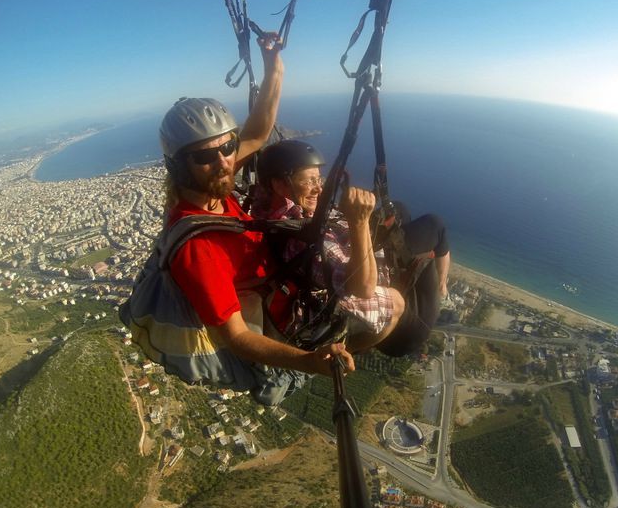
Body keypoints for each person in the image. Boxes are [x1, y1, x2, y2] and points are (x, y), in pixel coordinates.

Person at [158, 34, 353, 405]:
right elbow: (236, 336)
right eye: (204, 156)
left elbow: (259, 130)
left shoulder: (214, 186)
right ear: (178, 166)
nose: (224, 162)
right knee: (391, 316)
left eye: (228, 147)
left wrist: (272, 63)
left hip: (280, 291)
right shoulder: (197, 246)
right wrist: (309, 362)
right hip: (277, 326)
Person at [253, 139, 451, 357]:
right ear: (280, 185)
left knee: (399, 211)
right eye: (310, 181)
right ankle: (442, 287)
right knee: (436, 226)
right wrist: (359, 221)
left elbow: (257, 143)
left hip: (357, 259)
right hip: (404, 333)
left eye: (319, 179)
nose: (319, 188)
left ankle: (411, 272)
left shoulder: (267, 208)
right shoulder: (307, 242)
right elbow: (363, 288)